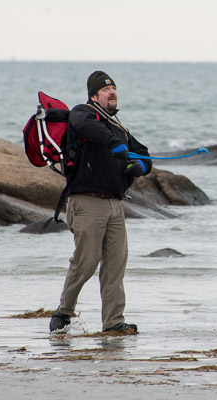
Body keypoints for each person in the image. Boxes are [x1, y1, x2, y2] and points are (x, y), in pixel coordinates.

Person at [49, 71, 153, 333]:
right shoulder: (82, 113)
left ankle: (114, 322)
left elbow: (145, 153)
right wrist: (113, 144)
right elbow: (88, 128)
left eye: (114, 88)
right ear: (94, 95)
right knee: (86, 262)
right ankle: (63, 312)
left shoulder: (117, 125)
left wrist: (142, 166)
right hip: (87, 201)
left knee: (116, 265)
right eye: (107, 90)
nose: (112, 93)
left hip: (115, 205)